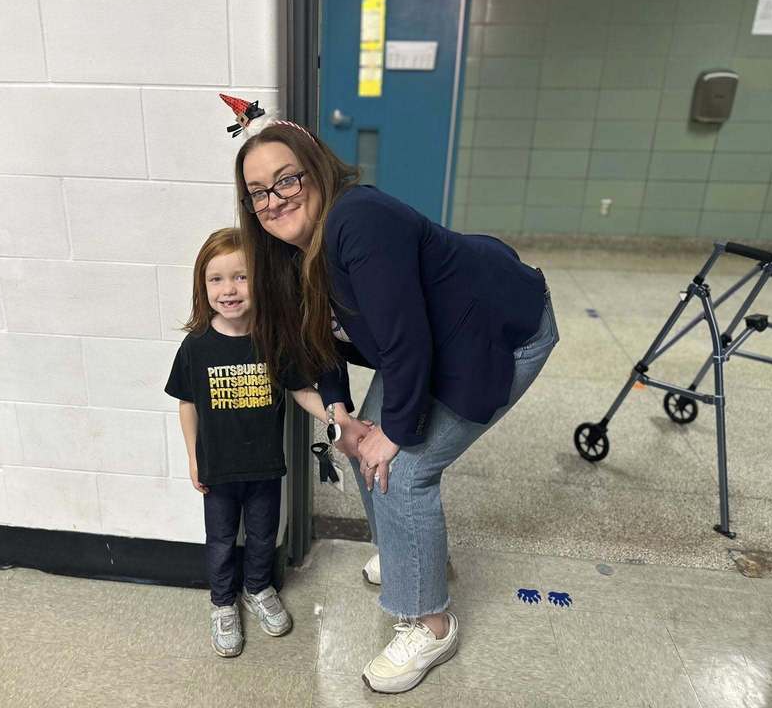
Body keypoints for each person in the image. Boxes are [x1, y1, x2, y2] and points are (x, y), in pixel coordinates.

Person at [234, 123, 558, 693]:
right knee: (364, 445)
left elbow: (408, 340)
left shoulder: (358, 219)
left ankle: (432, 625)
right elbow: (315, 340)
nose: (274, 200)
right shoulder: (288, 252)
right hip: (429, 342)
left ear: (317, 170)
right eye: (258, 192)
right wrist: (339, 414)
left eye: (286, 180)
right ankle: (411, 557)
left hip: (493, 332)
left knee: (403, 470)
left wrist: (397, 433)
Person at [165, 227, 328, 658]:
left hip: (265, 468)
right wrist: (193, 458)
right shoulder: (196, 346)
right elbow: (187, 403)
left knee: (262, 536)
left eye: (240, 277)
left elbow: (300, 389)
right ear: (203, 287)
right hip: (217, 470)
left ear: (259, 281)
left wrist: (335, 418)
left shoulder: (273, 341)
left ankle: (258, 589)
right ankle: (222, 603)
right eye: (216, 279)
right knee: (220, 540)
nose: (229, 289)